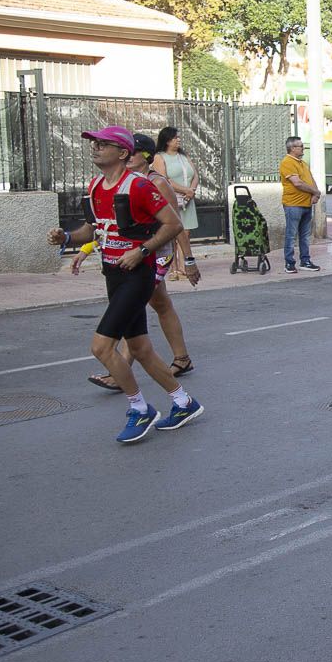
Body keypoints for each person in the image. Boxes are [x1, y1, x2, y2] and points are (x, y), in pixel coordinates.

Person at [47, 126, 201, 443]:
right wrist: (66, 238)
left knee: (101, 346)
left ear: (122, 153)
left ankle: (139, 408)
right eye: (94, 144)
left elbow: (173, 224)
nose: (95, 148)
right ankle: (183, 402)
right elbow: (92, 230)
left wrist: (142, 250)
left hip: (138, 274)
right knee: (142, 349)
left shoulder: (141, 187)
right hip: (113, 273)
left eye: (103, 144)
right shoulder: (95, 187)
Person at [79, 134, 200, 390]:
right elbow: (106, 227)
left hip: (155, 255)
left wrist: (188, 260)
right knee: (160, 304)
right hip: (130, 258)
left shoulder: (154, 182)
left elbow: (175, 224)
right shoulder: (114, 184)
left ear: (141, 156)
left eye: (132, 153)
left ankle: (121, 370)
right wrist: (86, 247)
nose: (128, 157)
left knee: (135, 306)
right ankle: (181, 360)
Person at [152, 127, 199, 281]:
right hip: (172, 199)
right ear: (166, 140)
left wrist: (191, 190)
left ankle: (185, 265)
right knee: (172, 234)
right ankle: (173, 268)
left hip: (187, 200)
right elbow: (163, 179)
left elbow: (195, 175)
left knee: (185, 233)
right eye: (174, 138)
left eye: (178, 137)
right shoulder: (160, 157)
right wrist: (185, 190)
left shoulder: (183, 156)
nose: (178, 140)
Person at [279, 136, 321, 274]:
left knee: (304, 235)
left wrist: (316, 194)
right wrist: (315, 191)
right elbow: (297, 183)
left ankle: (305, 260)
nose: (303, 148)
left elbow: (310, 179)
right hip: (293, 204)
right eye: (300, 146)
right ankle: (289, 263)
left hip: (306, 204)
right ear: (292, 148)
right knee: (291, 235)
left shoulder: (302, 163)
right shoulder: (287, 162)